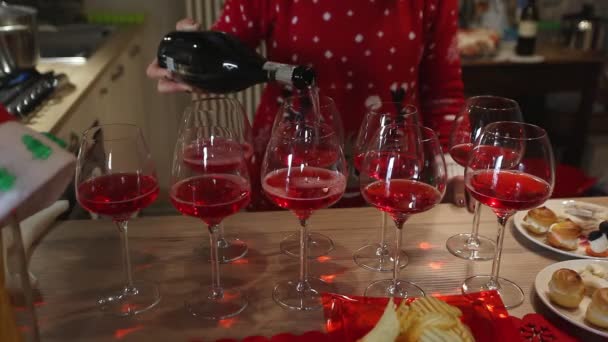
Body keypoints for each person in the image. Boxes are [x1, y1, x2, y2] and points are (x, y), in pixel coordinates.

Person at [147, 0, 466, 208]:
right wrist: (193, 63)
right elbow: (224, 48)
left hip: (391, 185)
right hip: (286, 180)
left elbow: (443, 89)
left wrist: (452, 166)